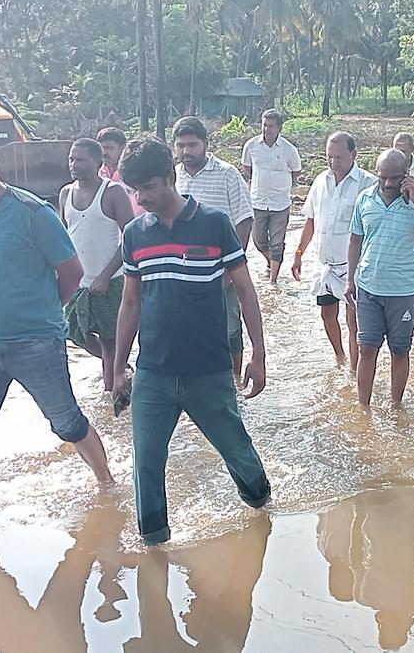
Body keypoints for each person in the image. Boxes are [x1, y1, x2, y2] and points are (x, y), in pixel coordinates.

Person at [112, 136, 271, 545]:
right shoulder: (135, 234)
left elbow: (245, 289)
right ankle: (154, 544)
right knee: (146, 463)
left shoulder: (213, 223)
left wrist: (258, 352)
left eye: (148, 187)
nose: (142, 197)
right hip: (153, 374)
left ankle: (264, 509)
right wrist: (118, 369)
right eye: (134, 190)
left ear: (170, 178)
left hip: (209, 370)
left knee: (236, 449)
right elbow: (130, 304)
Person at [0, 129, 113, 506]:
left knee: (67, 423)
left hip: (37, 340)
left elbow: (72, 270)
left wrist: (44, 313)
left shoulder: (32, 212)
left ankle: (106, 484)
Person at [346, 149, 414, 408]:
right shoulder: (364, 199)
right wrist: (349, 278)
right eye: (383, 178)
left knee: (400, 350)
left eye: (395, 178)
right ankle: (363, 407)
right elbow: (356, 239)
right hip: (368, 287)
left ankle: (396, 405)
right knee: (366, 349)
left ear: (406, 176)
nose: (388, 184)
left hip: (402, 290)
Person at [173, 116, 255, 377]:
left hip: (222, 269)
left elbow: (244, 222)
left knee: (229, 328)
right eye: (181, 145)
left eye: (192, 145)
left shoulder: (227, 174)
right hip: (182, 271)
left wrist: (231, 270)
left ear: (206, 144)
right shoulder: (172, 176)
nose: (186, 151)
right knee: (186, 328)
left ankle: (234, 382)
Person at [291, 131, 376, 370]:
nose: (333, 162)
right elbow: (311, 220)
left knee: (354, 321)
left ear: (353, 154)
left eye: (339, 157)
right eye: (329, 157)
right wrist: (299, 254)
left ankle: (355, 370)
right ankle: (340, 356)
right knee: (327, 314)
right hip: (325, 264)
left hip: (354, 266)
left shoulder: (368, 184)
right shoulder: (320, 181)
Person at [58, 138, 134, 392]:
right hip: (78, 283)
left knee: (111, 342)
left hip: (110, 282)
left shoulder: (113, 192)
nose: (74, 165)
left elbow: (132, 239)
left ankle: (113, 398)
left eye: (81, 160)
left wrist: (106, 275)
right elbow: (64, 238)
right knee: (74, 333)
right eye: (71, 159)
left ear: (98, 163)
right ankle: (120, 369)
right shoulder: (66, 193)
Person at [242, 109, 302, 284]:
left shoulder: (288, 149)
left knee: (277, 243)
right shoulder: (251, 146)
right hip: (258, 201)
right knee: (258, 241)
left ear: (279, 128)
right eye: (264, 125)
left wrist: (279, 182)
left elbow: (296, 171)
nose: (266, 129)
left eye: (271, 126)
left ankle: (273, 281)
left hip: (280, 203)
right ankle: (271, 261)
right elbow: (248, 168)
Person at [97, 126, 143, 216]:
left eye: (109, 148)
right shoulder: (97, 174)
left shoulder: (133, 172)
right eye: (102, 148)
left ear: (122, 148)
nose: (104, 153)